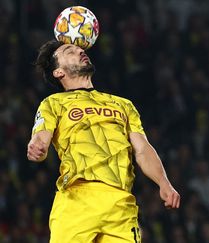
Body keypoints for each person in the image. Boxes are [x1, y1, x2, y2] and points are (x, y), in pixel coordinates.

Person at [27, 40, 181, 242]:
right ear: (58, 72)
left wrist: (164, 183)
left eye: (80, 48)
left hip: (121, 205)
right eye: (69, 51)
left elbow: (142, 148)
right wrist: (37, 146)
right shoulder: (53, 103)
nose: (80, 50)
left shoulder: (123, 105)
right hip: (77, 200)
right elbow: (41, 137)